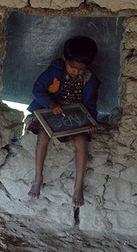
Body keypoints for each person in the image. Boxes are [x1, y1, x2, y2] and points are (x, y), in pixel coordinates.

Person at [26, 36, 100, 207]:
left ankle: (78, 185)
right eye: (72, 68)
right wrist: (51, 104)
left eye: (81, 70)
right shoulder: (54, 71)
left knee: (81, 141)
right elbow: (37, 89)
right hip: (51, 113)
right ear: (65, 58)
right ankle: (38, 178)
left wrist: (91, 122)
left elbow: (91, 104)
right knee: (43, 136)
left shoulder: (90, 79)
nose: (76, 72)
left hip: (75, 117)